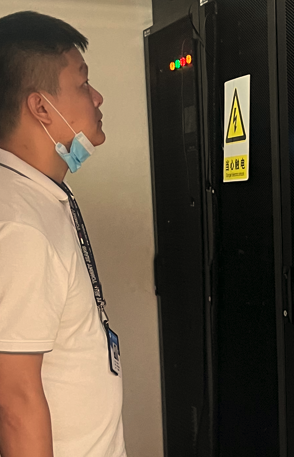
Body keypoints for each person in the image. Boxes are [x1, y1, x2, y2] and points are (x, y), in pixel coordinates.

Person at [0, 11, 126, 457]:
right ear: (41, 108)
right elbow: (15, 403)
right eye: (83, 83)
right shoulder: (19, 225)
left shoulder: (39, 196)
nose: (97, 96)